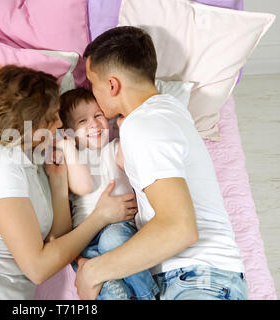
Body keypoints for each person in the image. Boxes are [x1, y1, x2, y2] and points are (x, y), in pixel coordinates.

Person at [0, 65, 137, 300]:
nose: (60, 124)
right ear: (30, 121)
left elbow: (57, 241)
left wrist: (58, 181)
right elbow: (38, 268)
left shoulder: (36, 160)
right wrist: (100, 217)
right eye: (52, 117)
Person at [74, 26, 248, 300]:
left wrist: (92, 271)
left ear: (112, 85)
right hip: (189, 278)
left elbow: (179, 228)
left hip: (196, 279)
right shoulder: (167, 111)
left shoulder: (144, 126)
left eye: (92, 84)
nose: (92, 93)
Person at [57, 87, 159, 300]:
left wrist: (124, 127)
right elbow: (83, 186)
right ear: (69, 132)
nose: (93, 124)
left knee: (111, 240)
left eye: (98, 115)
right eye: (82, 122)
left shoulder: (113, 149)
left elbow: (128, 161)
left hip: (119, 228)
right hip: (85, 240)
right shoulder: (71, 159)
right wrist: (68, 147)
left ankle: (149, 294)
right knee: (113, 291)